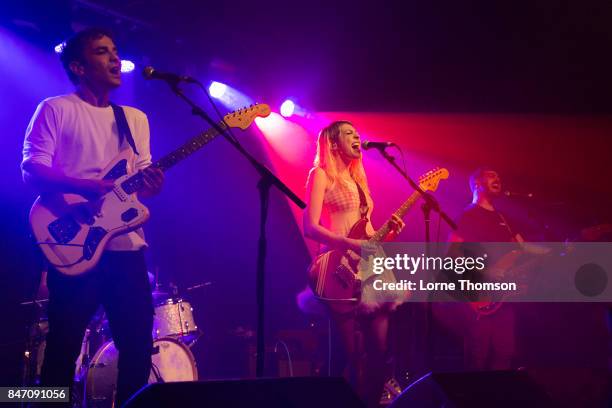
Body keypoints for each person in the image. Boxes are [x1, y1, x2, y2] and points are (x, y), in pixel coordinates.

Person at [21, 27, 164, 406]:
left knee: (137, 346)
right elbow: (31, 170)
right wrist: (86, 187)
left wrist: (152, 183)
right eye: (103, 52)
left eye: (116, 51)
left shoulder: (134, 118)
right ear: (79, 67)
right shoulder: (56, 108)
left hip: (124, 247)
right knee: (62, 352)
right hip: (74, 247)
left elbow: (141, 181)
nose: (115, 59)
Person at [303, 121, 404, 407]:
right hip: (339, 267)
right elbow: (309, 227)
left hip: (371, 266)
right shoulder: (321, 174)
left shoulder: (359, 180)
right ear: (333, 143)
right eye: (349, 133)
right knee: (353, 355)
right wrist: (348, 243)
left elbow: (367, 232)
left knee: (379, 352)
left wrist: (389, 232)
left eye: (357, 133)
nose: (357, 137)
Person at [449, 167, 521, 370]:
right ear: (477, 184)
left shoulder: (503, 218)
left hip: (504, 296)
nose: (498, 178)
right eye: (491, 175)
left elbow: (522, 248)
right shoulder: (468, 215)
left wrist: (564, 246)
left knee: (505, 353)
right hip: (479, 295)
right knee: (478, 355)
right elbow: (453, 254)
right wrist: (485, 273)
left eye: (499, 175)